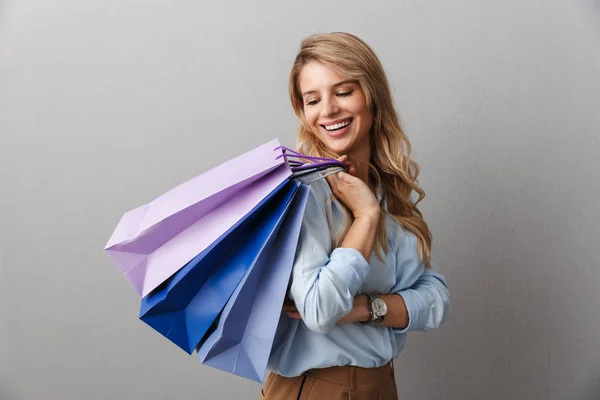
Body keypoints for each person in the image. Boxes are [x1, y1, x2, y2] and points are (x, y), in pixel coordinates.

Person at [263, 32, 451, 400]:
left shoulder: (389, 188)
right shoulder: (304, 194)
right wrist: (365, 217)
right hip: (318, 387)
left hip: (380, 384)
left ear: (372, 96)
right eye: (312, 99)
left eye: (344, 92)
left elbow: (436, 300)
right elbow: (319, 310)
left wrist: (365, 308)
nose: (328, 110)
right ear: (303, 111)